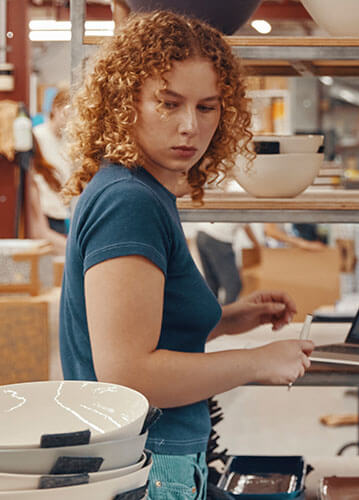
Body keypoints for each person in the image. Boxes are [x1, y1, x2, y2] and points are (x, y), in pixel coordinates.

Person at [59, 11, 314, 499]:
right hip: (145, 470)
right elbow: (130, 376)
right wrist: (256, 360)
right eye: (169, 103)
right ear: (125, 101)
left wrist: (224, 320)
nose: (189, 127)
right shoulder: (128, 202)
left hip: (147, 460)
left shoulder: (143, 190)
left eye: (207, 107)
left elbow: (135, 330)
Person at [23, 89, 72, 253]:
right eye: (67, 113)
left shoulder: (67, 142)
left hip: (60, 214)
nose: (70, 121)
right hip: (43, 214)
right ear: (56, 109)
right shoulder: (38, 137)